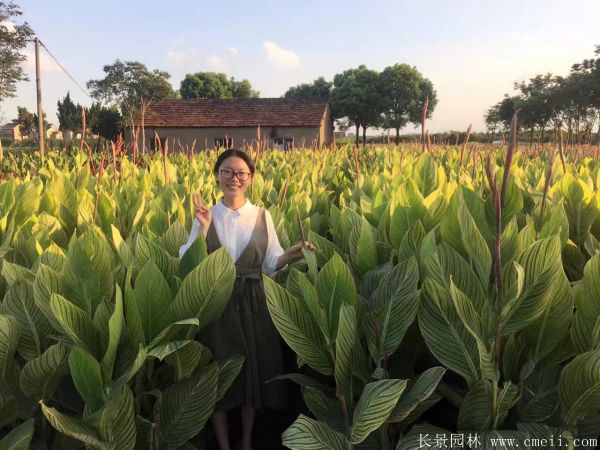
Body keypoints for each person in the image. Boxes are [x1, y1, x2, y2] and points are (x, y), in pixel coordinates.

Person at [178, 149, 316, 450]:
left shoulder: (262, 216)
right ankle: (225, 444)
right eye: (227, 171)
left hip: (255, 304)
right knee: (221, 372)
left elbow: (270, 263)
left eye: (241, 173)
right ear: (217, 176)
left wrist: (291, 254)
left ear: (250, 179)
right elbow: (187, 260)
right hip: (218, 302)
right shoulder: (207, 215)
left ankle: (248, 441)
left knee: (250, 373)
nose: (234, 178)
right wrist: (201, 230)